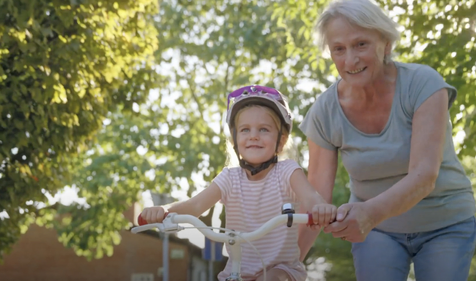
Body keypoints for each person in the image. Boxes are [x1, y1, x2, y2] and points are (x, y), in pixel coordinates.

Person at [298, 0, 476, 280]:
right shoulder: (324, 111)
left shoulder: (424, 84)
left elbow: (424, 176)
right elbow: (315, 201)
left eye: (361, 44)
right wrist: (283, 266)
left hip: (445, 223)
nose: (350, 60)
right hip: (377, 232)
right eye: (339, 49)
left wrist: (368, 214)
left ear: (386, 43)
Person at [140, 85, 337, 281]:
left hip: (281, 270)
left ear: (281, 141)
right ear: (235, 139)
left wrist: (320, 209)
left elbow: (311, 198)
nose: (253, 135)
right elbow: (195, 206)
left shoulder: (287, 172)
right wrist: (163, 210)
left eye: (263, 129)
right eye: (245, 129)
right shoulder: (230, 178)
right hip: (237, 270)